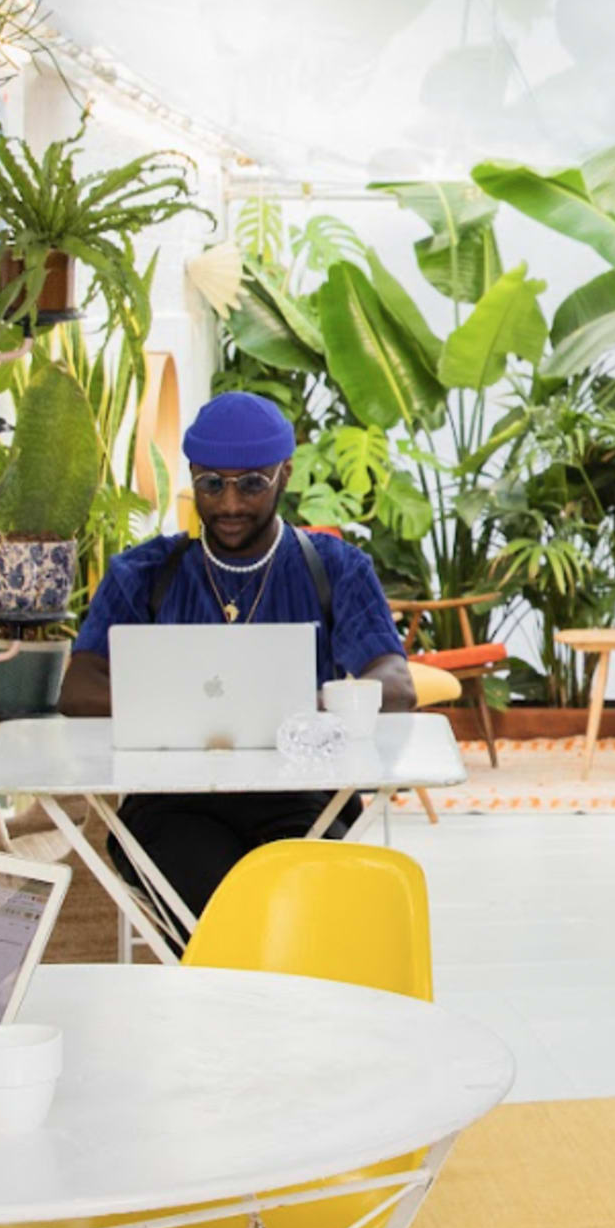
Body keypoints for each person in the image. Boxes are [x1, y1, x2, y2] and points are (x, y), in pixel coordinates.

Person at [61, 391, 412, 936]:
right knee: (235, 915)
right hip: (172, 802)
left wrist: (305, 707)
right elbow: (77, 689)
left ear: (285, 474)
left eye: (252, 484)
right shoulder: (143, 572)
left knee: (290, 910)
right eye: (211, 484)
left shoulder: (336, 568)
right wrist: (180, 709)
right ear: (194, 476)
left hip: (303, 798)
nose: (229, 505)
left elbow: (396, 683)